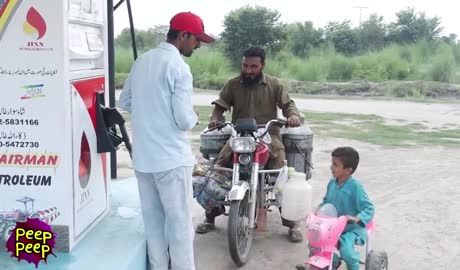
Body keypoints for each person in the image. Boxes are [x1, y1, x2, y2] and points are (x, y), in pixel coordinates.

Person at [119, 11, 214, 270]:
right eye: (196, 39)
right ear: (183, 35)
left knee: (153, 225)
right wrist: (195, 117)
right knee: (180, 228)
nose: (198, 45)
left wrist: (149, 111)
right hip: (171, 161)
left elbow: (124, 102)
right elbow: (184, 120)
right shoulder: (179, 67)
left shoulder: (142, 62)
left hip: (144, 161)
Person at [195, 47, 304, 242]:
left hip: (268, 133)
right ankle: (211, 216)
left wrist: (293, 116)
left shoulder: (274, 84)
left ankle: (290, 223)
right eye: (245, 65)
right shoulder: (233, 84)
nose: (248, 70)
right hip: (240, 134)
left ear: (262, 65)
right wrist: (215, 118)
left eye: (254, 66)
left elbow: (288, 105)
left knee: (281, 171)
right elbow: (220, 106)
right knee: (219, 167)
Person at [312, 146, 375, 270]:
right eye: (332, 163)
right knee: (315, 242)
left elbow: (369, 208)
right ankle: (333, 262)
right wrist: (318, 211)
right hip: (332, 226)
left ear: (348, 170)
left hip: (351, 228)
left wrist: (356, 218)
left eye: (335, 165)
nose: (331, 167)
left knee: (347, 252)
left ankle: (353, 266)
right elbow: (326, 201)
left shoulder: (355, 187)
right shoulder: (332, 183)